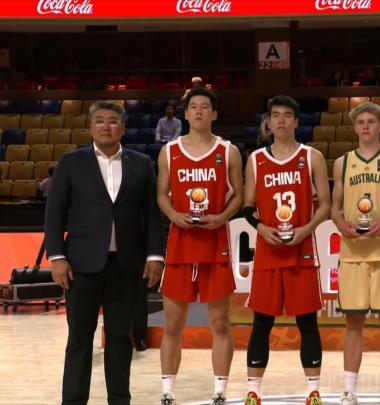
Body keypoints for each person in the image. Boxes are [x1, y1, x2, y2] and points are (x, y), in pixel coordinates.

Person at [45, 100, 164, 405]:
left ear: (122, 128)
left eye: (112, 121)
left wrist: (154, 256)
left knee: (121, 340)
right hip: (80, 267)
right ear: (90, 127)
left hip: (126, 266)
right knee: (79, 340)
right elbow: (54, 214)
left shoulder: (141, 163)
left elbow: (151, 215)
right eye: (99, 121)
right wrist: (57, 257)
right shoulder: (71, 162)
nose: (106, 126)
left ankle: (120, 400)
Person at [241, 95, 331, 405]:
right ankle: (254, 391)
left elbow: (325, 205)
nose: (281, 120)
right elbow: (248, 207)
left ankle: (313, 391)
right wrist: (261, 228)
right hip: (268, 250)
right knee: (261, 322)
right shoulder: (256, 159)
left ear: (296, 121)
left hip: (301, 248)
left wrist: (306, 229)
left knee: (307, 321)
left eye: (287, 115)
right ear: (268, 122)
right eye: (276, 115)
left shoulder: (312, 156)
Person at [156, 87, 244, 405]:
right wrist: (172, 215)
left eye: (204, 107)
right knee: (172, 324)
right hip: (180, 245)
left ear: (214, 114)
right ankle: (167, 392)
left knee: (219, 323)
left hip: (214, 243)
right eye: (193, 106)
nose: (198, 111)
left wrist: (222, 216)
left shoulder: (228, 150)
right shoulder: (169, 151)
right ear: (186, 113)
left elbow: (239, 195)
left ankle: (220, 392)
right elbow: (161, 194)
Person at [330, 102, 380, 405]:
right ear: (354, 127)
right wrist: (341, 225)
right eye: (360, 121)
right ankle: (349, 390)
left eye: (371, 121)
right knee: (353, 323)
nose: (365, 126)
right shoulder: (342, 163)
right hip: (352, 252)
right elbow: (334, 207)